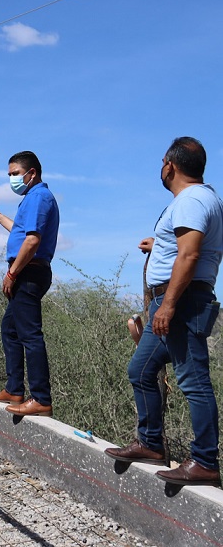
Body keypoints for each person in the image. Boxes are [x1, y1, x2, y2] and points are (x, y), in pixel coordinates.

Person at [105, 137, 222, 487]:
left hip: (180, 302)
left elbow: (189, 256)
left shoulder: (191, 200)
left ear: (170, 165)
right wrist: (159, 247)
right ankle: (151, 443)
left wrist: (168, 305)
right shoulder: (202, 200)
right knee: (141, 370)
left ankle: (204, 461)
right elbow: (184, 248)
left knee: (193, 379)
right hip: (174, 299)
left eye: (162, 163)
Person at [0, 151, 59, 417]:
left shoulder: (38, 196)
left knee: (30, 334)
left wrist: (12, 273)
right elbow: (22, 232)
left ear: (32, 173)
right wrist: (0, 217)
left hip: (29, 272)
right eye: (10, 175)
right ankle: (14, 389)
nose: (12, 179)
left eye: (15, 174)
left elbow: (32, 241)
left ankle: (40, 398)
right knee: (11, 329)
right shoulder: (31, 198)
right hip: (26, 271)